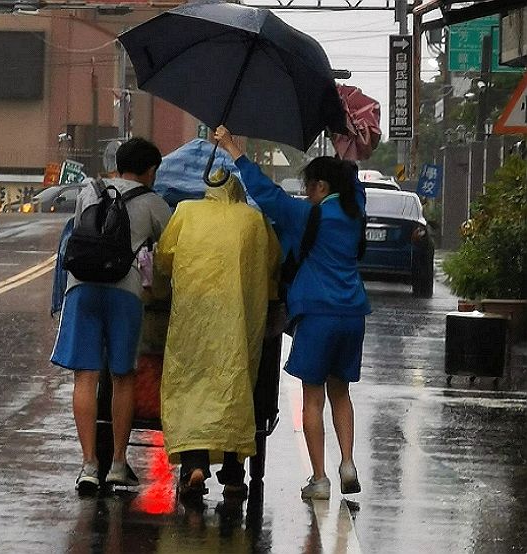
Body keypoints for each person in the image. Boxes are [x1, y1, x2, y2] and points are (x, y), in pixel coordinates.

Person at [214, 125, 371, 501]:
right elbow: (356, 187)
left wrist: (235, 152)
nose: (305, 194)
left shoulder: (308, 216)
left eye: (308, 187)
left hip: (317, 314)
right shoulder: (356, 214)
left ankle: (319, 479)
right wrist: (344, 148)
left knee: (312, 397)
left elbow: (266, 194)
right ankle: (347, 462)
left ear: (319, 187)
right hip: (353, 314)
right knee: (341, 392)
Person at [50, 137, 172, 494]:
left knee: (85, 377)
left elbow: (79, 232)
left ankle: (89, 465)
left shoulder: (90, 189)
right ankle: (118, 464)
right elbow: (169, 248)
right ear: (151, 171)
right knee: (123, 376)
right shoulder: (153, 201)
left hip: (81, 286)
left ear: (118, 164)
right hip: (125, 291)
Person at [154, 168, 280, 501]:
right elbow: (272, 262)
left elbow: (164, 258)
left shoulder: (186, 212)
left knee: (191, 385)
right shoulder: (253, 220)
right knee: (234, 386)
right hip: (239, 318)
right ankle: (234, 474)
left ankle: (194, 464)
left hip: (192, 319)